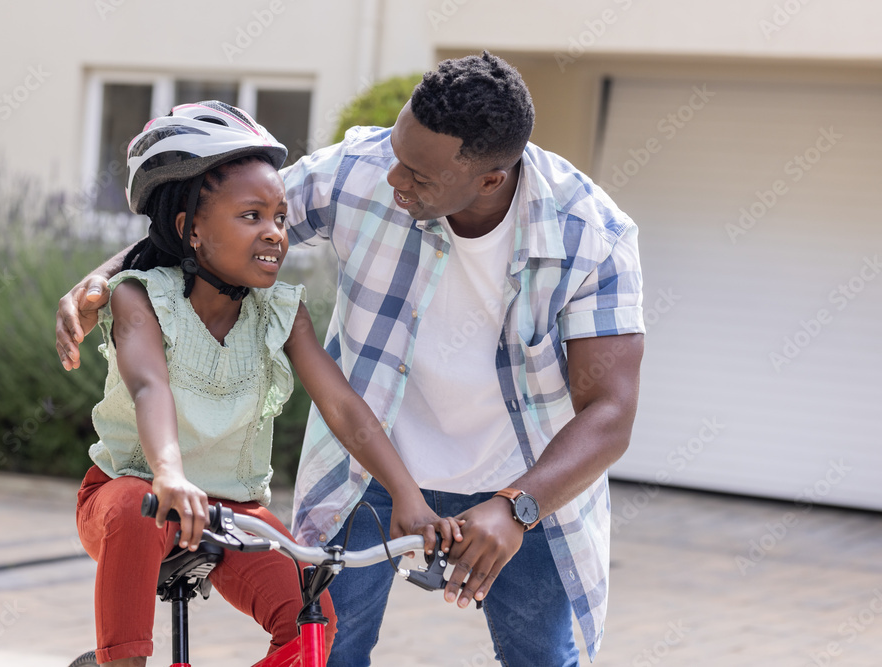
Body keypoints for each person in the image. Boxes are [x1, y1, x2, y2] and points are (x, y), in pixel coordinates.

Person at [59, 53, 645, 667]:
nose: (393, 178)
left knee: (543, 661)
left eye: (419, 174)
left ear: (489, 181)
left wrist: (518, 508)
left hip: (524, 488)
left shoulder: (590, 236)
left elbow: (610, 411)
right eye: (396, 150)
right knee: (327, 650)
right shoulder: (359, 170)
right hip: (365, 478)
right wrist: (100, 281)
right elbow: (207, 220)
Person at [73, 100, 459, 667]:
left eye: (280, 217)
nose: (276, 233)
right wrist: (170, 474)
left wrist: (409, 497)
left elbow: (343, 406)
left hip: (232, 511)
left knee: (313, 621)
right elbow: (150, 386)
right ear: (192, 231)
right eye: (251, 216)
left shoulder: (280, 311)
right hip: (133, 491)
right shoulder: (141, 297)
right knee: (137, 506)